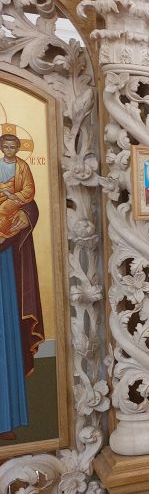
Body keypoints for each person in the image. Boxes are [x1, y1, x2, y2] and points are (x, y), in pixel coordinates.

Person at [0, 128, 43, 440]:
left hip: (8, 261)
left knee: (8, 330)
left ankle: (7, 417)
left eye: (13, 144)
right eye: (6, 144)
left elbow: (29, 200)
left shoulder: (22, 168)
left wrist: (24, 215)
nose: (9, 148)